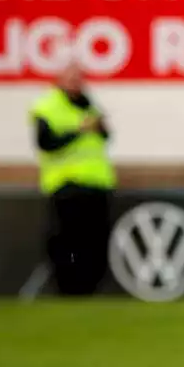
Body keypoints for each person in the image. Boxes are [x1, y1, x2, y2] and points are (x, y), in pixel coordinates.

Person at [30, 62, 116, 296]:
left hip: (97, 184)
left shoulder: (90, 106)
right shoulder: (48, 107)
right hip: (66, 186)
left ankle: (91, 288)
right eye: (71, 79)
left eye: (79, 79)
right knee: (68, 242)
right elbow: (46, 143)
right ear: (59, 80)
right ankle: (67, 288)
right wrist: (80, 130)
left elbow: (106, 137)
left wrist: (97, 127)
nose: (76, 83)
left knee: (96, 242)